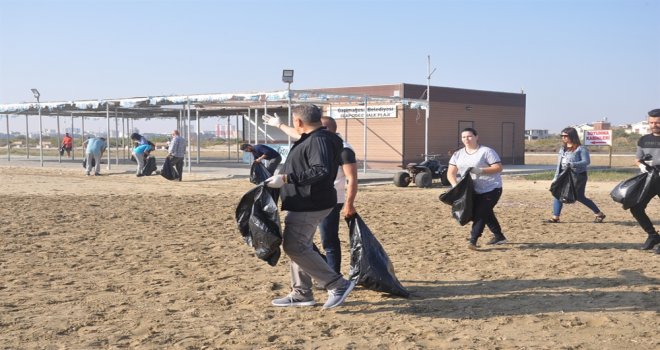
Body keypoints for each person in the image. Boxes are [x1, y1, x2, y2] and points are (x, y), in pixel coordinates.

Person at [262, 104, 356, 309]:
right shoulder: (318, 138)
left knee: (294, 246)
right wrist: (279, 125)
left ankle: (337, 284)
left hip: (310, 202)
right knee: (300, 246)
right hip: (307, 201)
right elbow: (299, 137)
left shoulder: (319, 140)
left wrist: (286, 178)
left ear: (299, 122)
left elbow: (320, 170)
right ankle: (301, 292)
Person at [447, 127, 507, 250]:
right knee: (486, 212)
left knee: (480, 213)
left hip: (491, 188)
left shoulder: (486, 151)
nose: (466, 139)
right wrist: (455, 186)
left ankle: (473, 240)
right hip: (471, 190)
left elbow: (498, 168)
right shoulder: (457, 154)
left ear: (476, 137)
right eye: (464, 137)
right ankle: (499, 236)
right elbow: (450, 173)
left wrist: (480, 170)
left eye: (469, 136)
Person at [547, 127, 606, 224]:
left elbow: (586, 161)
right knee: (558, 194)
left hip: (578, 176)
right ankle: (555, 217)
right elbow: (559, 165)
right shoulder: (562, 149)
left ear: (572, 136)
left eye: (565, 136)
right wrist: (555, 177)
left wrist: (573, 164)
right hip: (564, 175)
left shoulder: (581, 148)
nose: (563, 137)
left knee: (579, 196)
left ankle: (599, 214)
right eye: (562, 136)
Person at [630, 109, 660, 253]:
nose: (654, 125)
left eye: (657, 122)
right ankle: (653, 235)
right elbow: (637, 159)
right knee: (635, 207)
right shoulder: (643, 139)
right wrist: (641, 166)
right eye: (651, 122)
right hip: (648, 179)